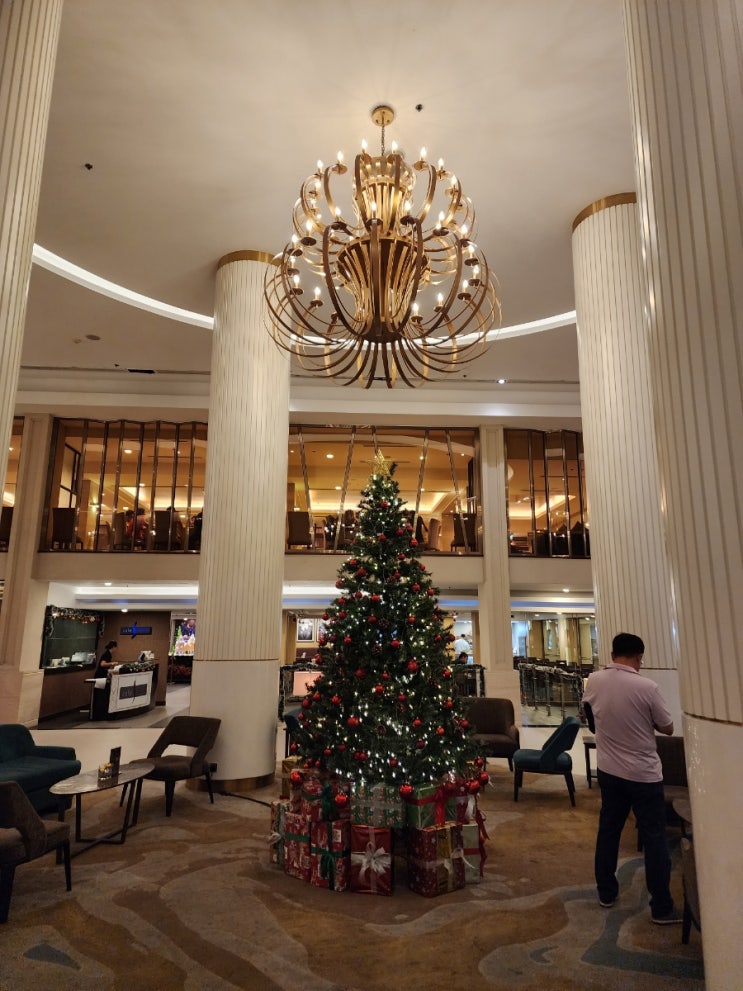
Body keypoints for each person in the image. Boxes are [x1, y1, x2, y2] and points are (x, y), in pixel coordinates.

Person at [582, 632, 680, 924]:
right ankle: (661, 907)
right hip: (643, 775)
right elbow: (668, 727)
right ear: (639, 657)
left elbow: (590, 716)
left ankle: (606, 892)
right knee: (654, 837)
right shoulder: (647, 687)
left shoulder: (594, 680)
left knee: (608, 830)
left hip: (609, 770)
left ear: (613, 655)